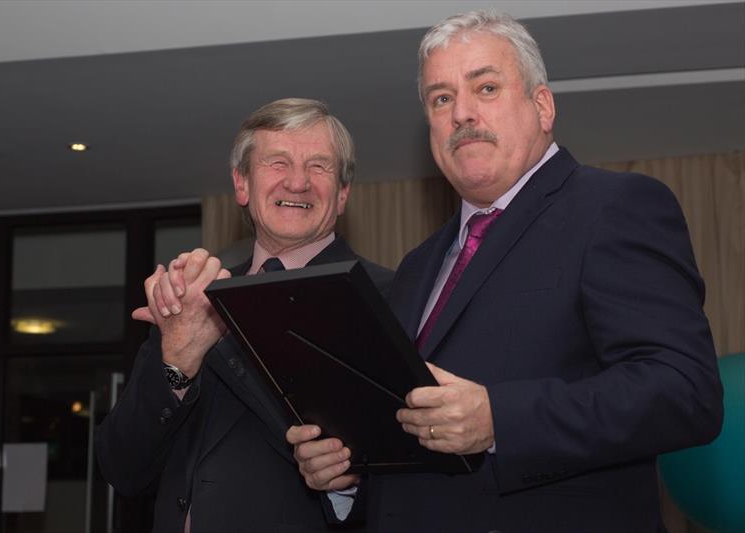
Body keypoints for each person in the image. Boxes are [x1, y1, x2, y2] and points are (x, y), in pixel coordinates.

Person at [287, 11, 724, 532]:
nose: (461, 114)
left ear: (542, 106)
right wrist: (349, 476)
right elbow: (412, 435)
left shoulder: (613, 207)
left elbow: (683, 391)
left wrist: (499, 419)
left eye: (486, 87)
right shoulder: (418, 266)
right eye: (441, 99)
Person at [96, 98, 392, 532]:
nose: (297, 182)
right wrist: (176, 360)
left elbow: (412, 478)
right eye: (277, 163)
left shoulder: (388, 296)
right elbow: (123, 469)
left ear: (343, 193)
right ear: (241, 184)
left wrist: (347, 483)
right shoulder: (193, 299)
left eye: (318, 167)